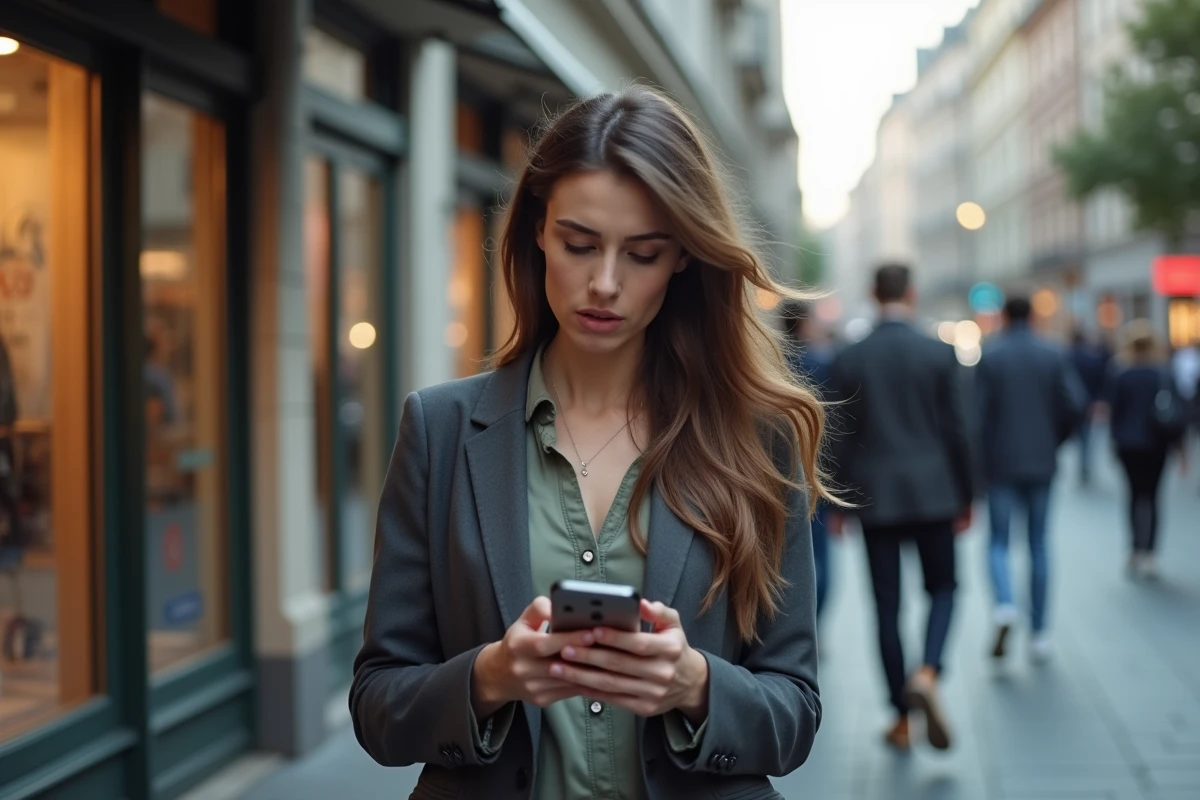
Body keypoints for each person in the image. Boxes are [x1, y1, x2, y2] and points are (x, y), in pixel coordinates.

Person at [349, 87, 826, 800]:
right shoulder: (439, 429)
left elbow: (795, 712)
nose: (605, 283)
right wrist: (489, 678)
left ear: (684, 260)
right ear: (537, 232)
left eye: (642, 253)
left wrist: (695, 685)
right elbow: (378, 705)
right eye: (579, 244)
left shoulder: (755, 439)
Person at [828, 264, 975, 752]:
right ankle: (929, 671)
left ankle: (900, 716)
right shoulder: (938, 352)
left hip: (876, 496)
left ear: (872, 294)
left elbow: (838, 436)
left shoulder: (850, 356)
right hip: (935, 492)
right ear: (911, 293)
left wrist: (837, 501)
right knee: (944, 587)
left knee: (886, 605)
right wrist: (967, 494)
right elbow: (959, 429)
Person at [976, 297, 1084, 664]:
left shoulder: (991, 355)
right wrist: (1053, 440)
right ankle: (1040, 633)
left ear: (1005, 316)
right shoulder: (1051, 354)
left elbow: (976, 415)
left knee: (998, 543)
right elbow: (1074, 405)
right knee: (1038, 544)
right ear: (1033, 316)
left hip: (1001, 464)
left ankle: (1005, 603)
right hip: (1041, 462)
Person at [1107, 322, 1186, 579]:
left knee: (1133, 496)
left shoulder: (1121, 373)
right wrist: (1181, 449)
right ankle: (1150, 552)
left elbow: (1115, 413)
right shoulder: (1162, 373)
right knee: (1152, 497)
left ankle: (1134, 549)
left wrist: (1114, 443)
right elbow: (1176, 411)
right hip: (1156, 443)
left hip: (1129, 444)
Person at [782, 301, 834, 623]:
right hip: (816, 467)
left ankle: (794, 624)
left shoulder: (771, 363)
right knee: (820, 554)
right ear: (804, 324)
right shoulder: (822, 362)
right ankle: (813, 621)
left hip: (779, 469)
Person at [1068, 328, 1112, 486]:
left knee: (1082, 436)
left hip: (1074, 403)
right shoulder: (1090, 358)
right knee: (1087, 437)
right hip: (1088, 402)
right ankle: (1085, 466)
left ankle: (1084, 466)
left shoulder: (1067, 357)